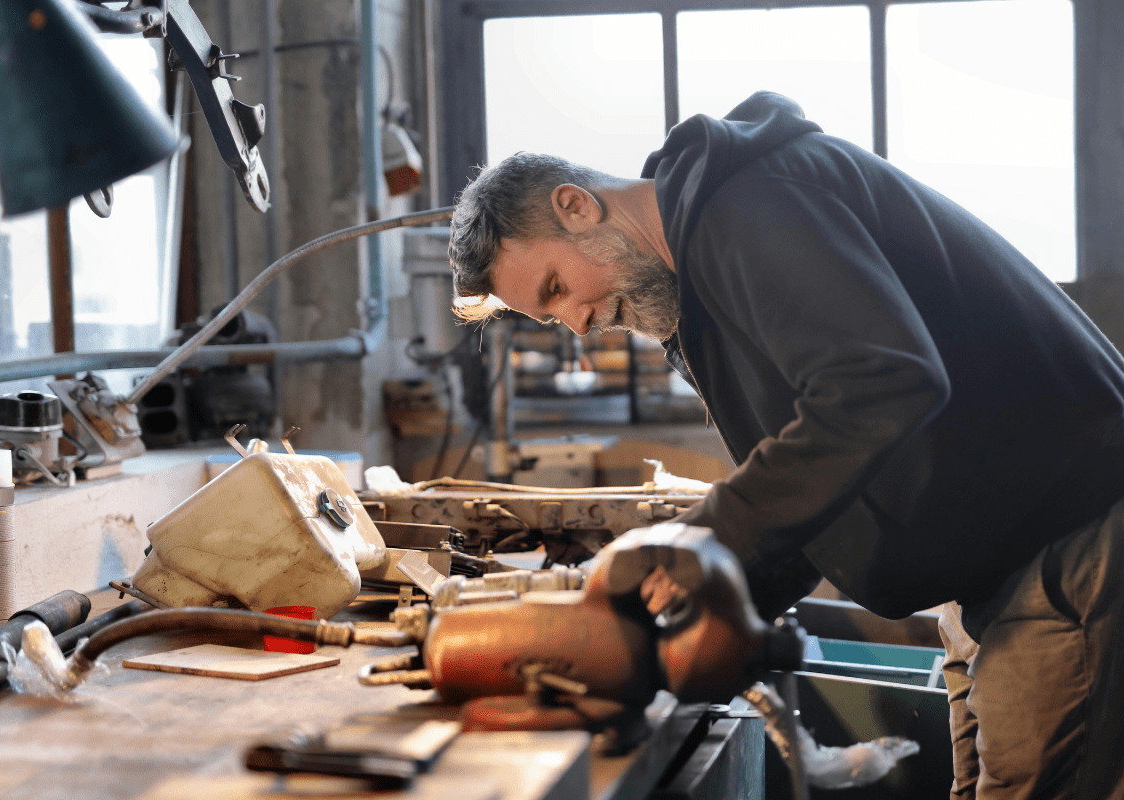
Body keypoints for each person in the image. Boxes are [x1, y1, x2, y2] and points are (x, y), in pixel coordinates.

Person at [447, 91, 1124, 800]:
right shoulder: (699, 302)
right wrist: (716, 589)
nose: (578, 323)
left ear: (577, 206)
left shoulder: (751, 205)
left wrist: (699, 536)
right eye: (549, 316)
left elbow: (882, 384)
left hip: (1065, 551)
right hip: (990, 575)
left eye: (557, 288)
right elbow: (828, 477)